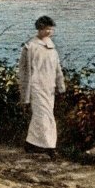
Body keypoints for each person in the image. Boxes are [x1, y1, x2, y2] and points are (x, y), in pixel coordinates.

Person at [18, 15, 66, 159]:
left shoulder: (52, 47)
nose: (49, 32)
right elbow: (24, 72)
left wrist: (61, 86)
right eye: (46, 29)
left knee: (41, 116)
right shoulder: (30, 47)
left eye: (51, 29)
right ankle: (51, 148)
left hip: (49, 87)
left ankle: (30, 143)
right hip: (36, 86)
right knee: (45, 117)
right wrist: (25, 95)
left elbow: (57, 69)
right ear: (39, 29)